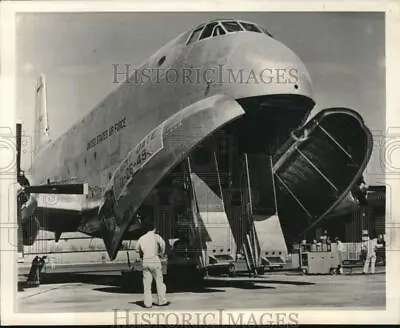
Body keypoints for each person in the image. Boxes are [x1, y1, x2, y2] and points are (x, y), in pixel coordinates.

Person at [137, 220, 169, 308]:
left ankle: (147, 303)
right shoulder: (156, 237)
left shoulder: (141, 238)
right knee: (159, 281)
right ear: (154, 229)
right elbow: (163, 244)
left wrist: (142, 256)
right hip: (154, 260)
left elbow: (138, 250)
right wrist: (161, 253)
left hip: (145, 261)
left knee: (147, 284)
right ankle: (161, 301)